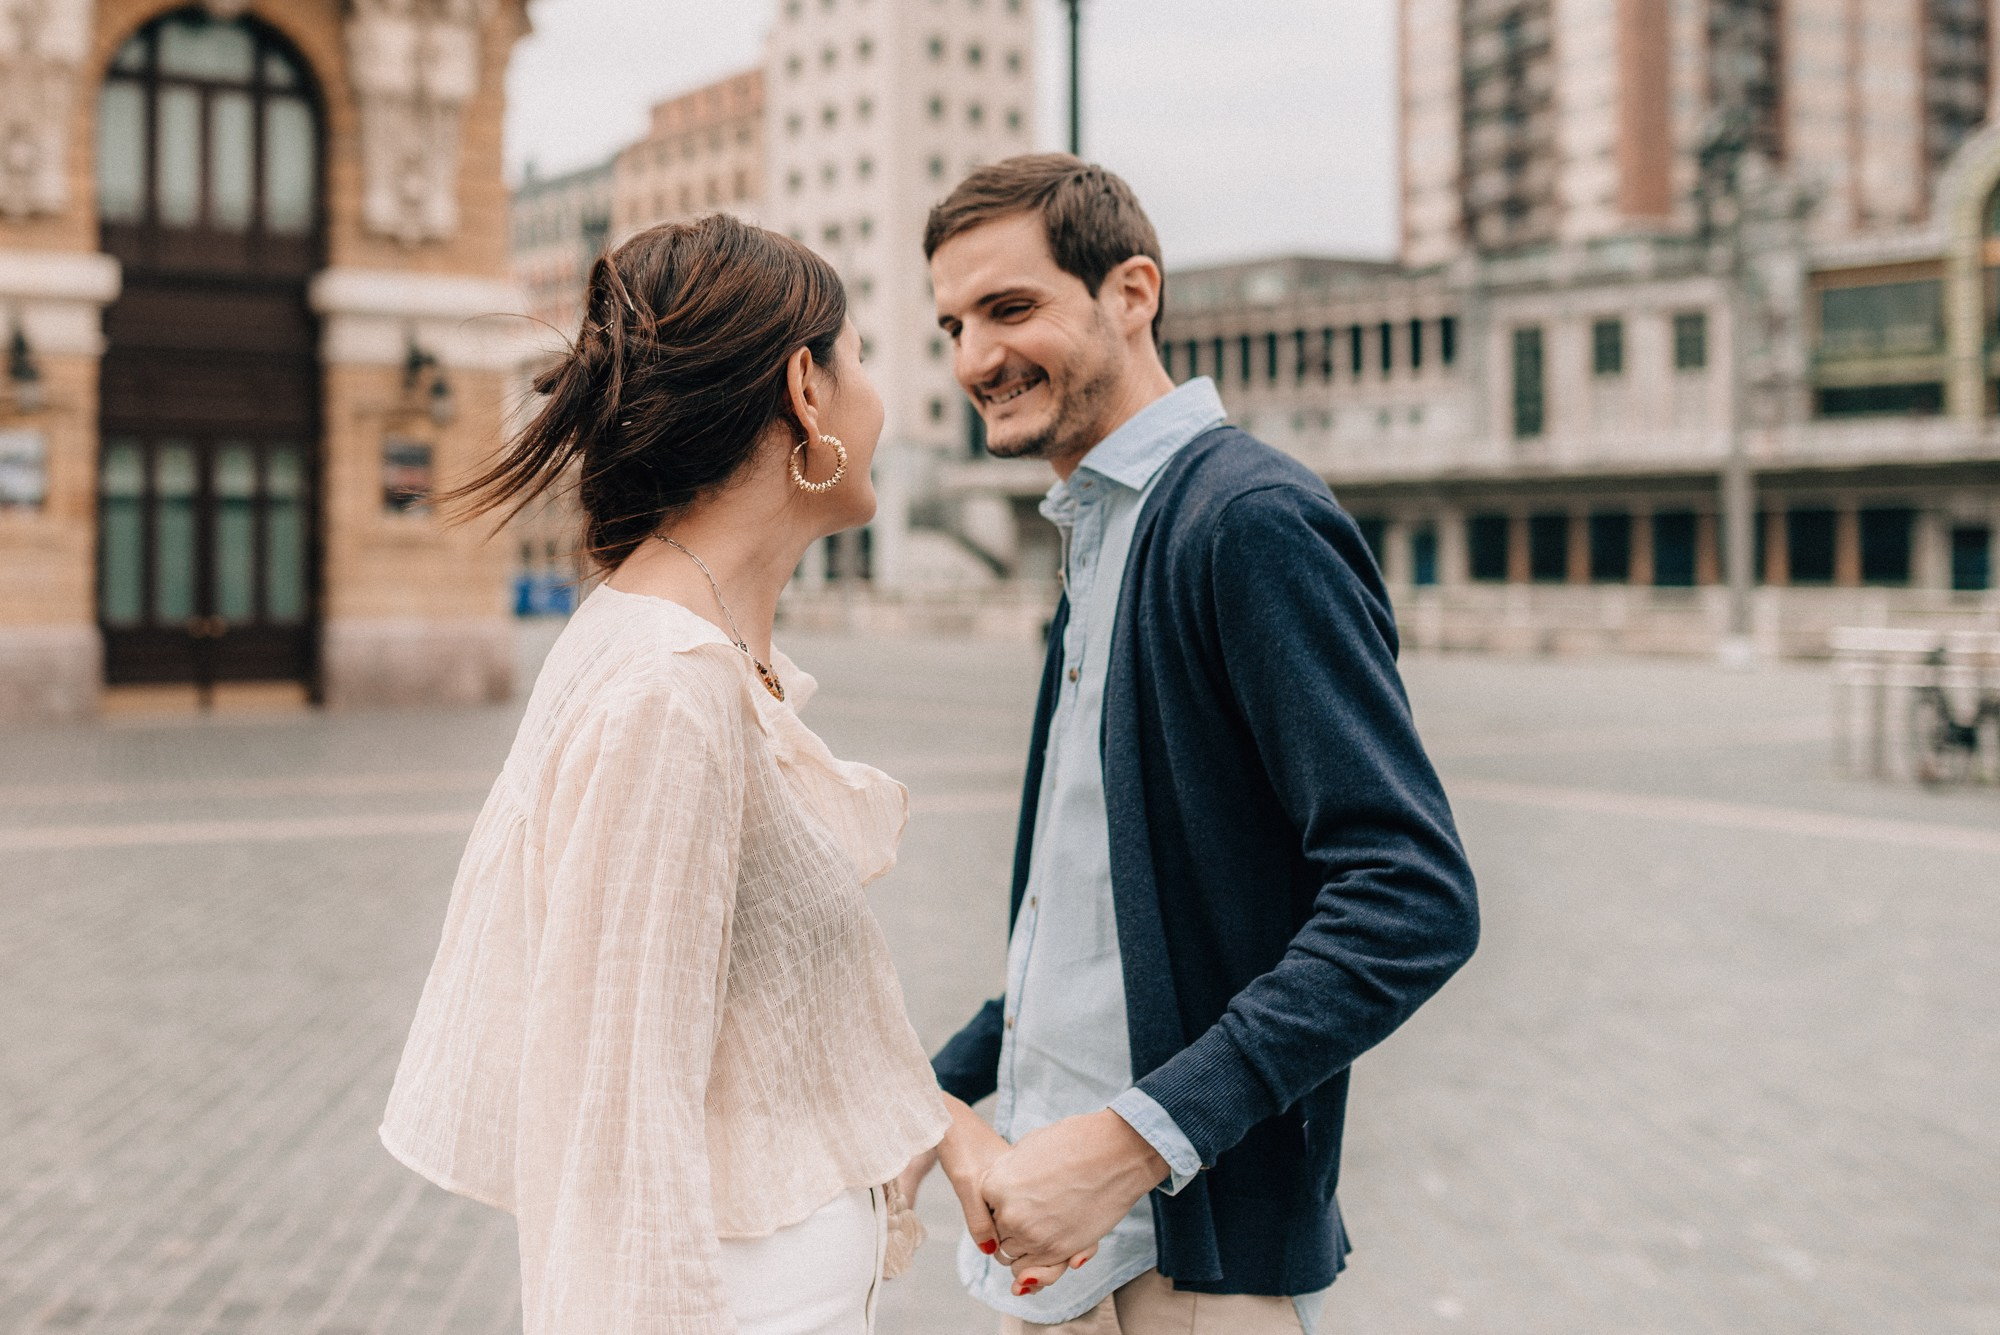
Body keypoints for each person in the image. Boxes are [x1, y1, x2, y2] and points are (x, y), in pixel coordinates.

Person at [897, 155, 1482, 1334]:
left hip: (1189, 1264)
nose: (972, 360)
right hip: (1056, 1254)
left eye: (1010, 310)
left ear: (1131, 293)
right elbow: (1094, 921)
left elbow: (1412, 897)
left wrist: (1129, 1143)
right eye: (951, 325)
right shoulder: (1100, 537)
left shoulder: (1244, 520)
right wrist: (932, 1087)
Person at [379, 214, 956, 1335]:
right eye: (860, 358)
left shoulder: (682, 648)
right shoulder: (669, 686)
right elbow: (612, 1112)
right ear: (805, 387)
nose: (877, 397)